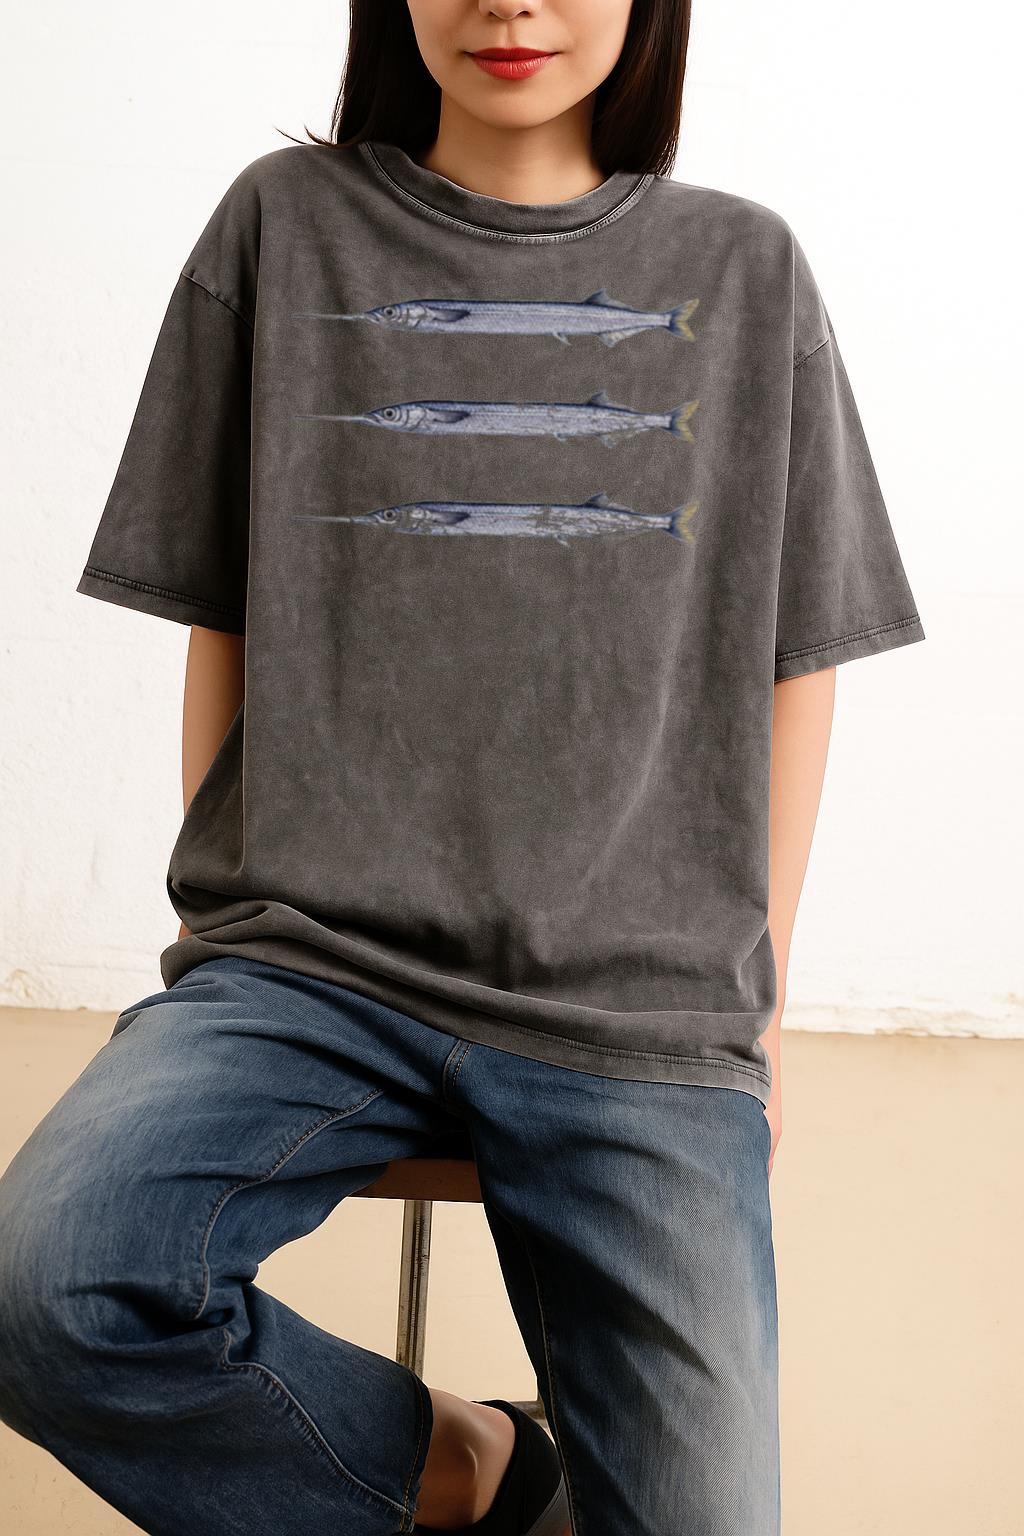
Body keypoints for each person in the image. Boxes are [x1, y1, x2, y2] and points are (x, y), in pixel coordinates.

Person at [0, 2, 926, 1533]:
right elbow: (227, 619)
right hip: (311, 967)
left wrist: (756, 1005)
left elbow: (796, 661)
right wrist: (223, 930)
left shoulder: (746, 269)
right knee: (48, 1286)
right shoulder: (283, 228)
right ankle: (475, 1467)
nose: (508, 2)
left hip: (638, 1008)